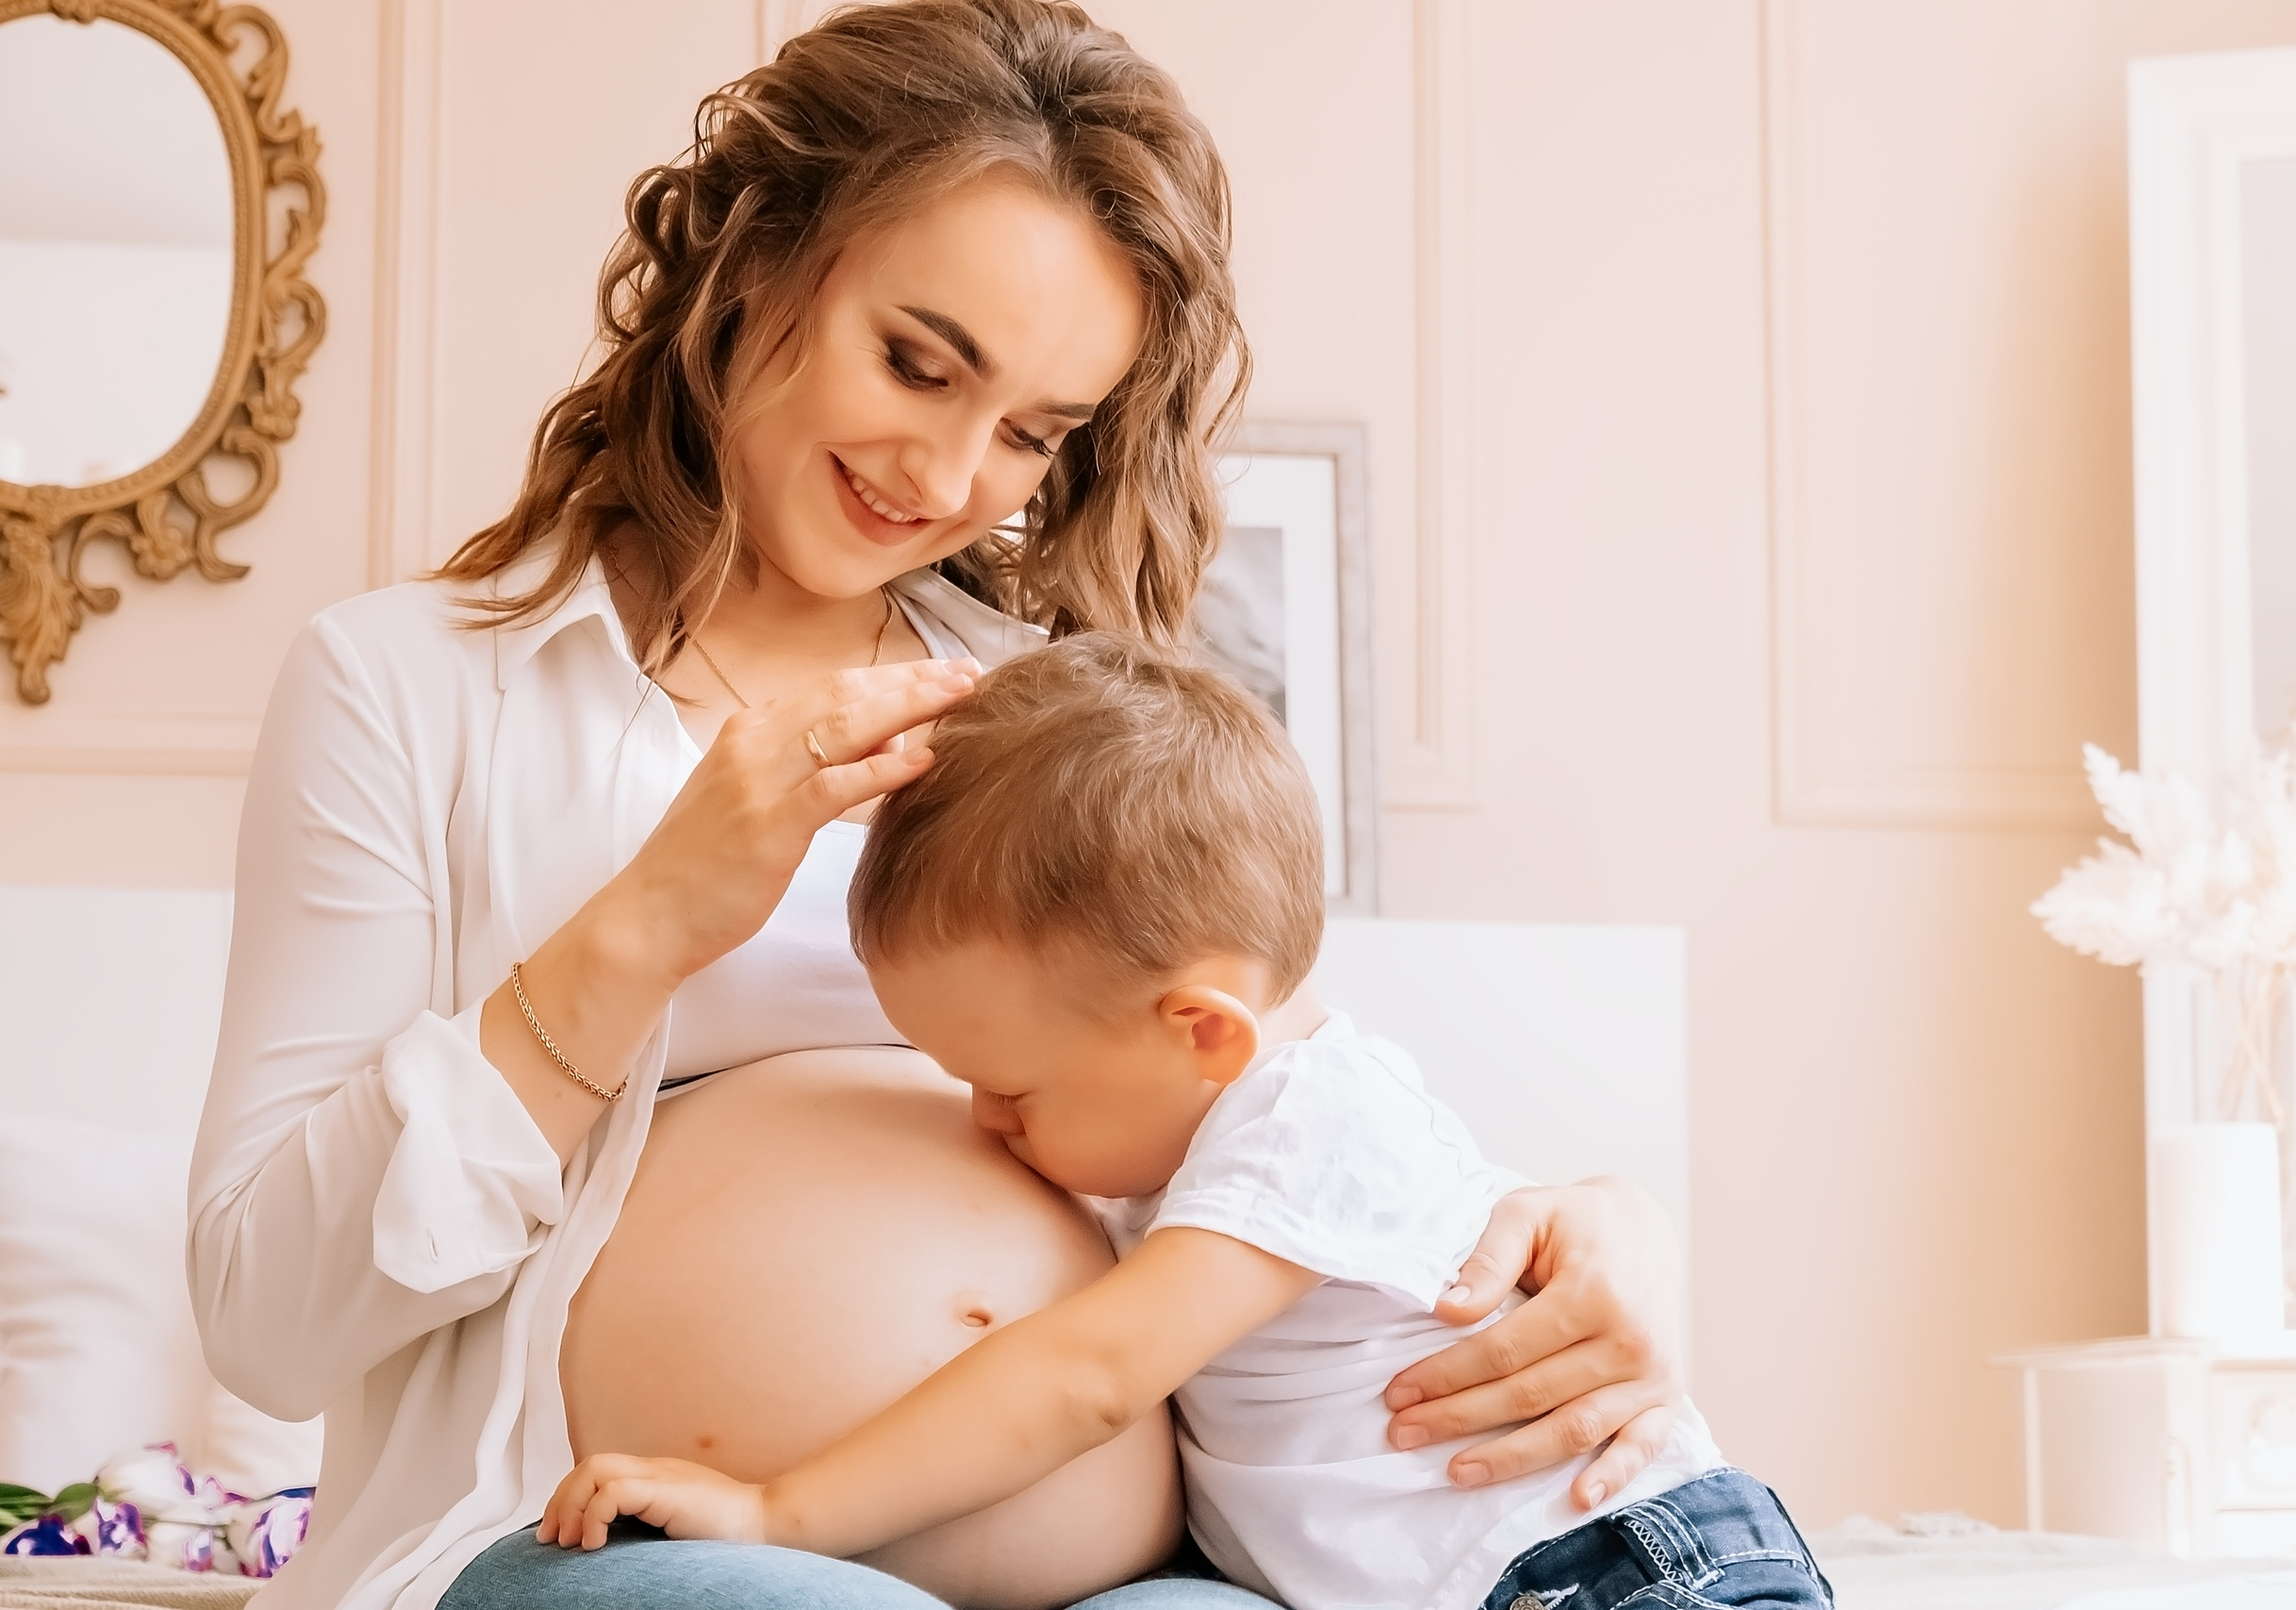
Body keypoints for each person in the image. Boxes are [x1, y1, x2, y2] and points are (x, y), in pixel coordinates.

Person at [189, 4, 1693, 1608]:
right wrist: (647, 921)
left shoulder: (1044, 706)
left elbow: (1276, 1092)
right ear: (755, 261)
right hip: (628, 1539)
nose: (954, 474)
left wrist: (1597, 1221)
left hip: (1166, 1559)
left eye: (1034, 433)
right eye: (918, 362)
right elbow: (267, 1326)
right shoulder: (411, 690)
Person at [537, 638, 1832, 1610]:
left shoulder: (1303, 1130)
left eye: (1011, 1087)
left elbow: (1086, 1377)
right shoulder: (1215, 1108)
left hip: (1606, 1575)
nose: (983, 1124)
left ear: (1200, 1030)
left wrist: (781, 1509)